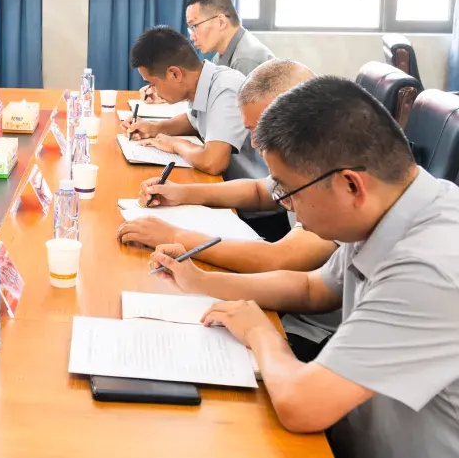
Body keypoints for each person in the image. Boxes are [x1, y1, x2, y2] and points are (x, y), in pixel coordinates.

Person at [149, 77, 459, 457]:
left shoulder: (431, 265)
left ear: (351, 185)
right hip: (347, 429)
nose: (284, 204)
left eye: (287, 191)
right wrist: (201, 281)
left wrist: (260, 333)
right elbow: (312, 288)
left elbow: (302, 404)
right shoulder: (393, 207)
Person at [116, 58, 340, 361]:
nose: (253, 143)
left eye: (262, 130)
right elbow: (260, 191)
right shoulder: (306, 157)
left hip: (313, 333)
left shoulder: (333, 178)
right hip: (292, 305)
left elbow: (281, 260)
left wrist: (175, 236)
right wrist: (183, 193)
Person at [119, 26, 263, 179]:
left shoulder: (225, 89)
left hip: (256, 184)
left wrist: (175, 144)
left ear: (174, 74)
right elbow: (194, 121)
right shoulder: (202, 83)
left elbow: (213, 162)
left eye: (153, 84)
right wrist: (154, 128)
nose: (152, 91)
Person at [138, 0, 274, 103]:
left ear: (221, 22)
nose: (192, 36)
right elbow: (209, 97)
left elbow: (237, 116)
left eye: (194, 26)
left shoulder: (245, 59)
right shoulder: (223, 54)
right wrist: (164, 92)